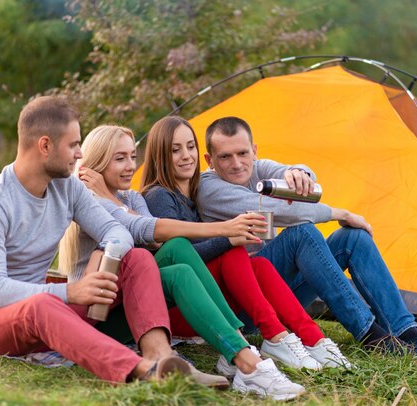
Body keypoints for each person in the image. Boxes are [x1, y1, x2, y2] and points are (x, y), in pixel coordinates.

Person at [0, 96, 196, 385]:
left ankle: (160, 356)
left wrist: (103, 252)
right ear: (45, 146)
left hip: (46, 313)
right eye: (73, 144)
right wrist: (71, 292)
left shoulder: (67, 187)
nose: (80, 154)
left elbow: (118, 232)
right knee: (41, 305)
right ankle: (142, 371)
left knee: (137, 259)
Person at [57, 124, 306, 400]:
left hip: (132, 301)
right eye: (120, 158)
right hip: (96, 315)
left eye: (132, 157)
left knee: (178, 259)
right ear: (97, 163)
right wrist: (225, 229)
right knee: (177, 256)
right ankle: (246, 358)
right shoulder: (88, 197)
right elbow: (138, 227)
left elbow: (154, 238)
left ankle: (242, 349)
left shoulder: (131, 197)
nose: (130, 166)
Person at [197, 116, 417, 362]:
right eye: (225, 157)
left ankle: (406, 333)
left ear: (254, 150)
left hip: (277, 293)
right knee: (302, 233)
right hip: (243, 309)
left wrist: (300, 173)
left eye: (243, 153)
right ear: (210, 160)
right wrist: (339, 212)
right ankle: (372, 336)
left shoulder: (257, 168)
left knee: (353, 238)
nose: (236, 164)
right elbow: (276, 212)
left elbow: (303, 178)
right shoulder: (209, 189)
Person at [139, 115, 352, 373]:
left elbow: (288, 172)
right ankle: (273, 337)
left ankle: (311, 338)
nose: (186, 156)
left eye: (190, 147)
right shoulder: (160, 196)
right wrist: (228, 238)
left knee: (259, 264)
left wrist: (298, 173)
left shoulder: (190, 193)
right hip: (181, 307)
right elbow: (179, 256)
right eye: (175, 150)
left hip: (207, 298)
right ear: (160, 155)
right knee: (234, 251)